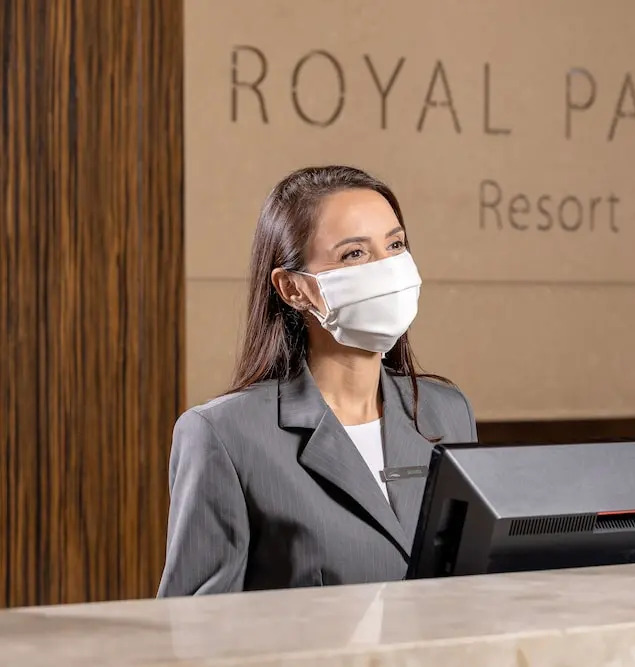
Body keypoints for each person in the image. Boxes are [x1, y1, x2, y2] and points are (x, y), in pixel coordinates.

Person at [157, 165, 477, 596]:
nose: (388, 270)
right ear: (292, 288)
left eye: (395, 245)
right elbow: (195, 625)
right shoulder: (224, 435)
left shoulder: (447, 411)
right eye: (354, 254)